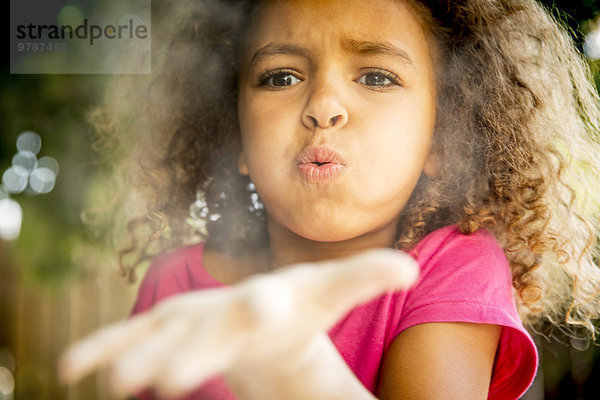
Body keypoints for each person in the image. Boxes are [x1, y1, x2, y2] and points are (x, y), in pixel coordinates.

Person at [60, 0, 600, 399]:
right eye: (280, 77)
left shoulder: (456, 268)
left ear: (443, 139)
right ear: (235, 137)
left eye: (375, 76)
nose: (323, 105)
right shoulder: (172, 285)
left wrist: (293, 365)